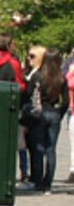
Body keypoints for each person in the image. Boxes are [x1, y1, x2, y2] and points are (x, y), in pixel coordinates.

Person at [22, 45, 67, 192]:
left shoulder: (38, 76)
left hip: (40, 114)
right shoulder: (61, 78)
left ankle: (38, 181)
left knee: (38, 147)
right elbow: (65, 101)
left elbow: (29, 94)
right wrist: (60, 113)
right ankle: (48, 182)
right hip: (54, 113)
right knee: (51, 149)